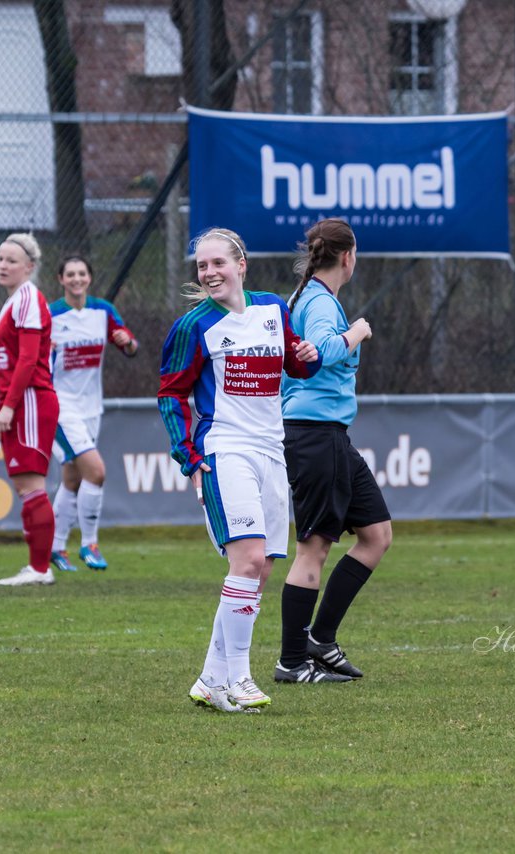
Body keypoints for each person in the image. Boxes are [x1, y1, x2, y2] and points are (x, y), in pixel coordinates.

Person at [158, 227, 320, 712]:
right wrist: (187, 457)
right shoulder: (194, 326)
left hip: (272, 452)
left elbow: (295, 363)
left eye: (217, 264)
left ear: (241, 264)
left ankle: (211, 678)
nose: (209, 273)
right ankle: (241, 678)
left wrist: (306, 357)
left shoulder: (272, 307)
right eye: (202, 266)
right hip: (225, 451)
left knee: (259, 570)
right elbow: (171, 394)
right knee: (247, 561)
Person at [275, 218, 392, 681]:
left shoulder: (305, 297)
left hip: (329, 434)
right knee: (313, 549)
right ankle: (291, 661)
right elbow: (322, 351)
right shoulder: (320, 302)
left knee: (376, 534)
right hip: (313, 433)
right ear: (348, 256)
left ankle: (320, 641)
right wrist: (359, 331)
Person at [48, 255, 139, 572]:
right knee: (96, 472)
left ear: (89, 278)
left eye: (81, 273)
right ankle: (89, 544)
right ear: (60, 279)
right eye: (69, 273)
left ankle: (56, 548)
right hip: (60, 407)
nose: (76, 279)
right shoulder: (51, 315)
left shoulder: (103, 311)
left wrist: (126, 342)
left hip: (91, 407)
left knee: (72, 477)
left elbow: (129, 345)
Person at [0, 233, 62, 587]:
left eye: (12, 261)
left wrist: (8, 407)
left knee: (33, 484)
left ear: (30, 267)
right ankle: (36, 566)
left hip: (31, 400)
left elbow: (29, 359)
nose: (3, 265)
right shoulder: (13, 302)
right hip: (20, 401)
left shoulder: (29, 299)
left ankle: (39, 569)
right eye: (1, 259)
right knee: (25, 486)